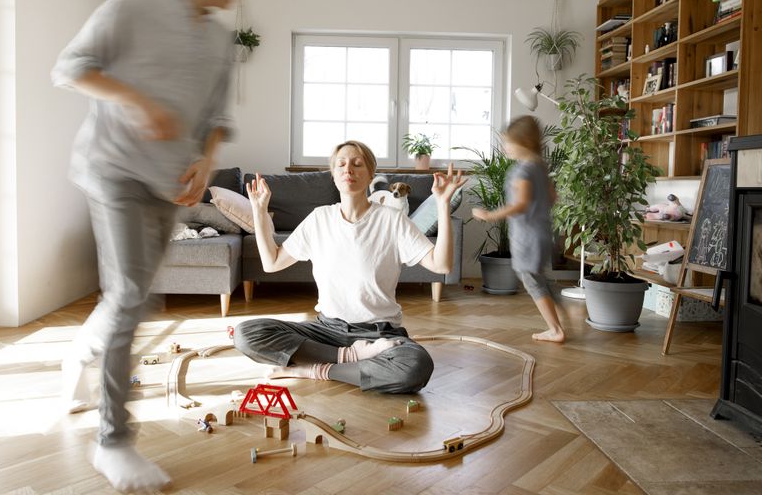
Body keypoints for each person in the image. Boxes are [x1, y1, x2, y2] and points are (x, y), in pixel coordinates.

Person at [50, 0, 246, 490]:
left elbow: (217, 119)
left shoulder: (219, 40)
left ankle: (80, 351)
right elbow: (69, 68)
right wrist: (134, 102)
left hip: (170, 185)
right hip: (112, 170)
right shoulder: (127, 9)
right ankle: (113, 442)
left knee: (129, 297)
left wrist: (207, 161)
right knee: (135, 295)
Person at [234, 141, 466, 393]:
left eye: (357, 164)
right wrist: (259, 211)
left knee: (415, 366)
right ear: (333, 175)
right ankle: (347, 358)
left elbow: (441, 264)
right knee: (247, 333)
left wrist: (443, 204)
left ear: (370, 175)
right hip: (326, 330)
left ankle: (316, 369)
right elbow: (272, 263)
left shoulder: (392, 220)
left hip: (379, 335)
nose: (349, 169)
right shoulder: (319, 218)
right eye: (341, 164)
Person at [472, 116, 565, 343]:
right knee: (538, 277)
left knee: (531, 279)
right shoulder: (540, 167)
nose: (505, 147)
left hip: (528, 235)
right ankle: (562, 312)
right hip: (542, 231)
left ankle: (556, 330)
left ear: (523, 142)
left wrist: (488, 215)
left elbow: (520, 204)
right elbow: (553, 197)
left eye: (508, 143)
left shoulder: (523, 171)